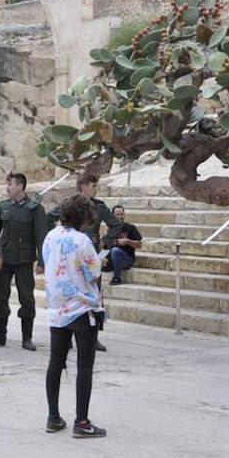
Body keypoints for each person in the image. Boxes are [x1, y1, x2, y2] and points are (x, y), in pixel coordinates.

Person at [43, 194, 107, 438]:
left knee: (55, 363)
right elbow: (93, 272)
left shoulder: (51, 236)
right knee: (84, 366)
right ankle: (81, 421)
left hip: (57, 308)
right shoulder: (82, 240)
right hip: (81, 307)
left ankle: (53, 417)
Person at [47, 173, 118, 352]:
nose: (96, 189)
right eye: (93, 186)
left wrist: (105, 241)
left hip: (90, 250)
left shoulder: (99, 207)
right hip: (69, 254)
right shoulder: (69, 204)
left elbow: (115, 224)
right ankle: (66, 332)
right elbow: (50, 217)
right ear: (83, 186)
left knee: (93, 291)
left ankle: (93, 335)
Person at [0, 172, 47, 350]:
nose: (7, 188)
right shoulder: (4, 206)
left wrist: (42, 261)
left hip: (24, 258)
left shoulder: (35, 208)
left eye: (10, 184)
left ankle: (27, 337)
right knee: (1, 296)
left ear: (20, 186)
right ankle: (0, 335)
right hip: (5, 257)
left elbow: (41, 235)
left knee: (27, 298)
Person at [102, 205, 143, 285]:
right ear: (113, 216)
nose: (120, 217)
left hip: (127, 259)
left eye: (121, 214)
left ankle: (117, 278)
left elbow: (139, 245)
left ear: (124, 215)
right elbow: (105, 247)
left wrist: (128, 241)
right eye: (117, 215)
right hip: (111, 259)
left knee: (115, 250)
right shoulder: (109, 230)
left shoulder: (130, 227)